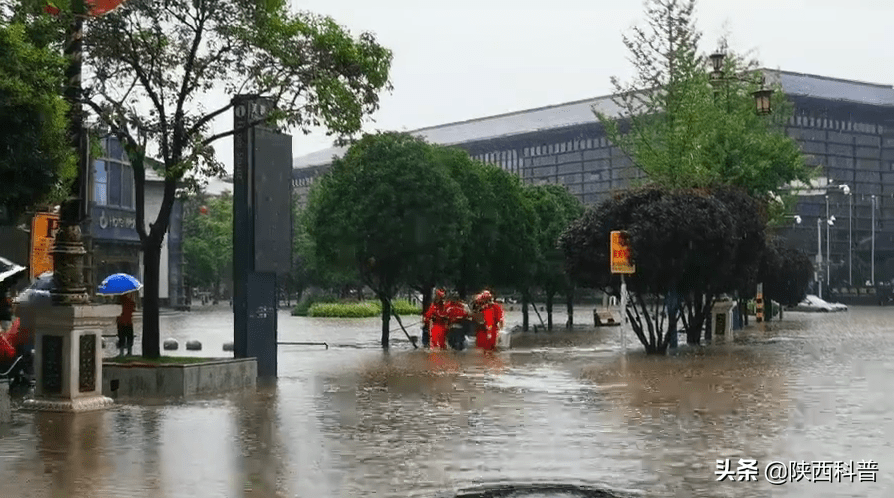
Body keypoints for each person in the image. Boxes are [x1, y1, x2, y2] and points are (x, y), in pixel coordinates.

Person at [117, 292, 136, 357]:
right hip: (128, 322)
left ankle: (121, 353)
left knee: (121, 338)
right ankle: (129, 352)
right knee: (129, 337)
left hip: (121, 322)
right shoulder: (130, 302)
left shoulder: (120, 302)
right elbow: (133, 309)